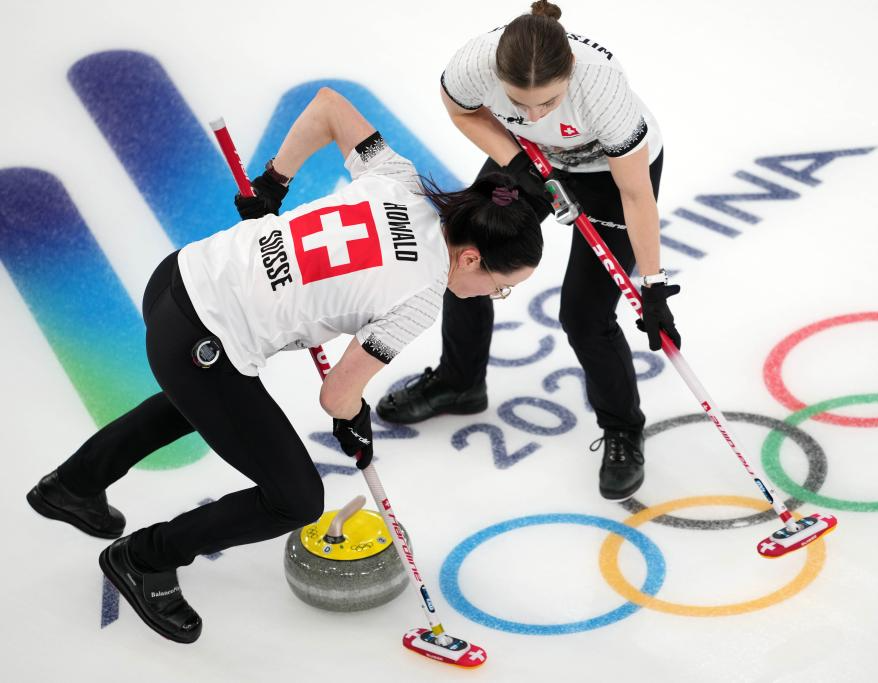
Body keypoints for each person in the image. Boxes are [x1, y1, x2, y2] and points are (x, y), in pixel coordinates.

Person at [24, 86, 543, 644]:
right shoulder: (420, 296)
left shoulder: (401, 179)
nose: (493, 296)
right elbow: (336, 395)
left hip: (178, 276)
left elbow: (328, 107)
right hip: (200, 341)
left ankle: (74, 484)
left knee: (208, 399)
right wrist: (354, 420)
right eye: (501, 287)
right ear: (471, 257)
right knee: (294, 498)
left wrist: (275, 181)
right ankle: (145, 558)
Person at [377, 0, 679, 502]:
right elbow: (461, 110)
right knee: (466, 258)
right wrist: (519, 163)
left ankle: (623, 429)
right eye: (521, 104)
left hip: (610, 178)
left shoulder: (603, 90)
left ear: (571, 71)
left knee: (585, 315)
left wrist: (652, 284)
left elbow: (635, 194)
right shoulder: (473, 65)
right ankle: (460, 381)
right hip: (529, 160)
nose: (535, 114)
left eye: (549, 102)